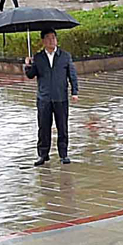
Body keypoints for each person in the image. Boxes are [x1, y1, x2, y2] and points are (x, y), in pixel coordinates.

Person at [23, 30, 79, 165]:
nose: (51, 41)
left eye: (53, 38)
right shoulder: (38, 57)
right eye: (48, 38)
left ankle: (63, 154)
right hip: (44, 98)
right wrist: (28, 65)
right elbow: (30, 75)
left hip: (61, 97)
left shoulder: (65, 56)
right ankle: (43, 155)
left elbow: (72, 74)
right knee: (43, 127)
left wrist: (74, 91)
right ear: (43, 41)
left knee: (62, 127)